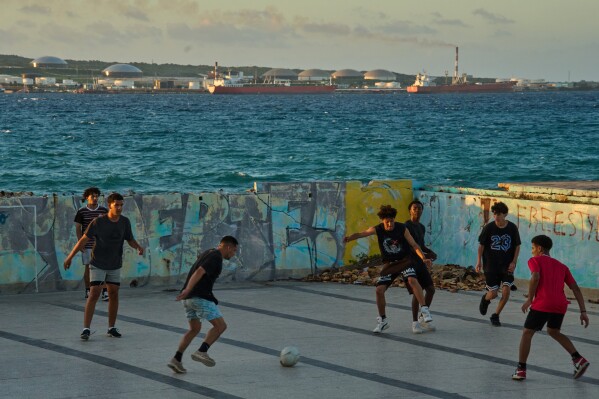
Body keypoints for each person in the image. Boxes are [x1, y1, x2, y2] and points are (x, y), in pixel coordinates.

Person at [64, 192, 144, 340]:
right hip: (98, 263)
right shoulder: (98, 222)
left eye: (121, 205)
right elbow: (83, 240)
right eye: (116, 205)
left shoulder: (124, 222)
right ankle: (86, 328)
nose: (119, 208)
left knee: (113, 293)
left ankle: (111, 327)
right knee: (94, 292)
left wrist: (138, 247)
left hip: (114, 263)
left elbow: (130, 239)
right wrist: (69, 257)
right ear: (109, 205)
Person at [344, 205, 434, 334]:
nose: (390, 224)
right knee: (379, 290)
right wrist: (349, 238)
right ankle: (383, 321)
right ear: (382, 221)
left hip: (404, 261)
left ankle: (424, 310)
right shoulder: (378, 229)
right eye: (387, 222)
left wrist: (423, 258)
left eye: (392, 221)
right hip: (390, 264)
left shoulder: (402, 228)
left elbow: (414, 244)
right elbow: (362, 233)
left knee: (412, 280)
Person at [512, 235, 590, 380]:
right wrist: (583, 311)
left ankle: (521, 369)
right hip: (560, 305)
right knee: (554, 331)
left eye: (533, 248)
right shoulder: (562, 266)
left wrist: (530, 298)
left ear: (540, 248)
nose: (532, 251)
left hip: (543, 303)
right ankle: (578, 359)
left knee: (527, 333)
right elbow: (576, 289)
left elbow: (535, 277)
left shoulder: (534, 260)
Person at [168, 236, 239, 374]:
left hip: (188, 299)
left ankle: (176, 359)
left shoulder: (209, 252)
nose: (234, 254)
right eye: (234, 251)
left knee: (194, 329)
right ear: (228, 247)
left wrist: (187, 291)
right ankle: (202, 351)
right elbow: (200, 271)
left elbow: (198, 264)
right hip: (198, 297)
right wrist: (189, 289)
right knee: (221, 326)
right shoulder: (216, 257)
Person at [475, 201, 521, 326]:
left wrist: (514, 262)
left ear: (505, 214)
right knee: (493, 294)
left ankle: (495, 315)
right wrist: (478, 261)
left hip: (507, 266)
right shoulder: (489, 228)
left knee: (506, 291)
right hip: (491, 266)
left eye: (499, 214)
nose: (496, 216)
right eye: (494, 214)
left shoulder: (512, 228)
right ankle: (485, 299)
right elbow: (481, 246)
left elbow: (517, 245)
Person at [404, 200, 437, 334]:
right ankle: (415, 322)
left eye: (419, 208)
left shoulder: (421, 227)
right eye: (415, 208)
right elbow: (411, 245)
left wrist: (429, 252)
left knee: (430, 289)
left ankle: (422, 318)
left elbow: (420, 245)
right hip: (410, 262)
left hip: (420, 262)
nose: (417, 210)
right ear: (410, 211)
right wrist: (422, 254)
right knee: (417, 291)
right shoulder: (406, 226)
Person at [74, 187, 108, 300]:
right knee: (88, 268)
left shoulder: (103, 211)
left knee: (103, 268)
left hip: (101, 244)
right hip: (87, 245)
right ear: (87, 197)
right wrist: (80, 243)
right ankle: (88, 290)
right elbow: (78, 228)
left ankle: (104, 291)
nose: (95, 198)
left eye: (96, 196)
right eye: (92, 196)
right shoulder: (81, 211)